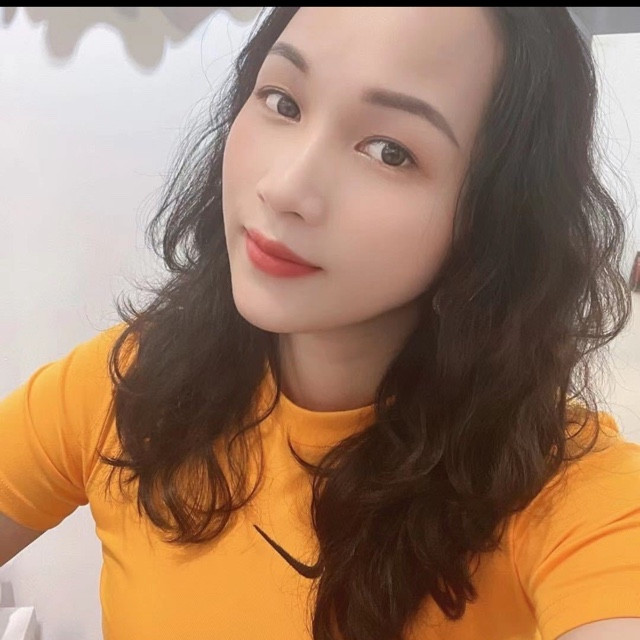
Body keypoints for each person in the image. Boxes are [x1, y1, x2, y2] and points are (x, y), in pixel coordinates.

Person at [1, 7, 639, 640]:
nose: (285, 188)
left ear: (496, 215)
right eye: (283, 102)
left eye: (390, 151)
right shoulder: (128, 384)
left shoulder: (570, 497)